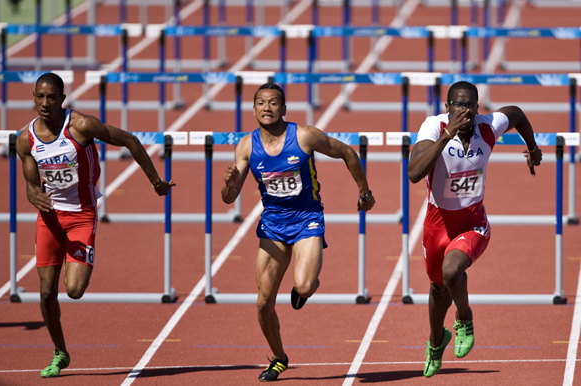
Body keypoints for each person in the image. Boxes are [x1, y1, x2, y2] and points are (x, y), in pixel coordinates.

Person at [15, 73, 175, 378]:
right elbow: (31, 184)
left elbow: (128, 139)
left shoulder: (82, 126)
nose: (45, 103)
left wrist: (155, 181)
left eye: (51, 97)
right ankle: (60, 352)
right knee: (46, 293)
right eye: (39, 97)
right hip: (49, 219)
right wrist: (33, 193)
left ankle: (83, 255)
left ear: (62, 99)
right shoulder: (26, 139)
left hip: (81, 216)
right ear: (34, 98)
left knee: (74, 290)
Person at [221, 83, 375, 381]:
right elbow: (230, 198)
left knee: (303, 286)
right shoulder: (245, 146)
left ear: (284, 109)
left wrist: (365, 194)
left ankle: (302, 289)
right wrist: (228, 183)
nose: (267, 108)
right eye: (261, 103)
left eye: (274, 103)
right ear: (253, 110)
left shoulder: (304, 136)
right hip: (273, 223)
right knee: (263, 303)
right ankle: (279, 358)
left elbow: (347, 153)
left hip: (307, 218)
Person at [407, 81, 543, 377]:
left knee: (452, 271)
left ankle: (464, 317)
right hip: (437, 223)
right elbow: (414, 173)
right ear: (447, 107)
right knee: (437, 288)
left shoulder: (488, 127)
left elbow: (517, 113)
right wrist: (446, 136)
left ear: (478, 108)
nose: (464, 111)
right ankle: (435, 341)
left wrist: (533, 149)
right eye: (458, 105)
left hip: (473, 222)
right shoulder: (433, 126)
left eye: (470, 105)